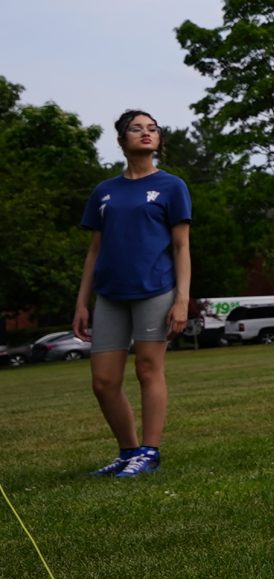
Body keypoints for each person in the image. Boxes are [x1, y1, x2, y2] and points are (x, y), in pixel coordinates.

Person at [71, 109, 192, 477]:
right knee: (103, 382)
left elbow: (181, 247)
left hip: (155, 290)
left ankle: (149, 452)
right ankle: (127, 452)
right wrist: (82, 302)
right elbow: (94, 250)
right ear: (121, 140)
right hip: (109, 295)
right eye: (136, 128)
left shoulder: (172, 186)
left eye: (152, 128)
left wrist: (182, 300)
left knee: (147, 370)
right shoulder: (104, 191)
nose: (146, 133)